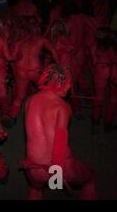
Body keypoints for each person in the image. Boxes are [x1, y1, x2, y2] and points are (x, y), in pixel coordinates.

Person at [22, 64, 97, 200]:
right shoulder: (62, 107)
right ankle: (88, 189)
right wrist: (56, 175)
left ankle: (36, 191)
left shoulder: (29, 101)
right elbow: (60, 142)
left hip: (32, 168)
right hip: (59, 167)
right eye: (68, 84)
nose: (69, 88)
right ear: (62, 84)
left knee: (35, 190)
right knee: (89, 176)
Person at [8, 20, 58, 126]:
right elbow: (54, 51)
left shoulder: (19, 42)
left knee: (19, 97)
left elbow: (12, 57)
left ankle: (13, 117)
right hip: (35, 71)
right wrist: (58, 66)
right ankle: (47, 116)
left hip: (21, 70)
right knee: (46, 92)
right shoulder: (41, 40)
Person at [89, 27, 117, 133]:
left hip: (101, 69)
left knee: (99, 98)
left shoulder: (93, 45)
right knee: (113, 98)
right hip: (116, 69)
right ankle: (107, 124)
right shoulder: (113, 45)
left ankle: (95, 123)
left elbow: (94, 62)